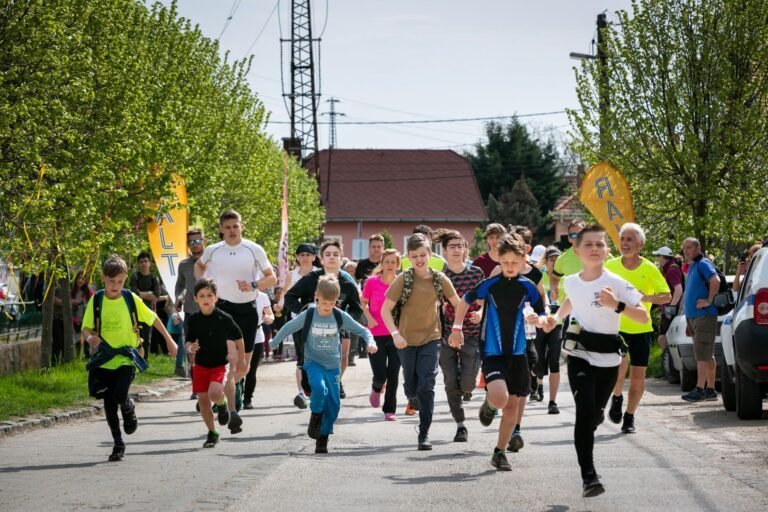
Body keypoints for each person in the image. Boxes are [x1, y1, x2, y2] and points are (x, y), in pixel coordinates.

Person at [550, 224, 647, 497]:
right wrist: (554, 319)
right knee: (583, 411)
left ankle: (596, 414)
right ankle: (589, 478)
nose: (594, 249)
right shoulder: (571, 280)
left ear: (607, 251)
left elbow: (643, 317)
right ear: (577, 250)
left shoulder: (617, 283)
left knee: (593, 415)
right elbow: (570, 300)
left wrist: (617, 305)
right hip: (580, 353)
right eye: (589, 244)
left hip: (608, 360)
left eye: (600, 245)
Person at [449, 234, 549, 471]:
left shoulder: (527, 286)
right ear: (499, 262)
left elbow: (542, 306)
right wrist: (456, 327)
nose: (510, 267)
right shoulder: (490, 284)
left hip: (518, 353)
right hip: (493, 351)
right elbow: (465, 300)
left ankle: (499, 451)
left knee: (513, 407)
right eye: (505, 263)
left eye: (514, 262)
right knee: (500, 398)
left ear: (523, 259)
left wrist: (542, 318)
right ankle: (491, 406)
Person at [81, 255, 178, 462]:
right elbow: (86, 327)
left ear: (125, 279)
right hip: (104, 359)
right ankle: (118, 443)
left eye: (120, 281)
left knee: (119, 394)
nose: (115, 286)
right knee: (108, 403)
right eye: (111, 281)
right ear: (103, 278)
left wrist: (170, 340)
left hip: (127, 357)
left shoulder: (130, 298)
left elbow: (153, 319)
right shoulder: (96, 299)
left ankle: (128, 407)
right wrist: (90, 337)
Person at [270, 275, 377, 453]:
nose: (327, 307)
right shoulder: (310, 314)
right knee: (319, 390)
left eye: (332, 303)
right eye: (324, 302)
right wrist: (275, 342)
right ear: (316, 296)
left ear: (337, 300)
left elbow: (363, 330)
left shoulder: (339, 316)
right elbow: (289, 326)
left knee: (334, 406)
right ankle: (316, 416)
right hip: (313, 363)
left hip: (333, 366)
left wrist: (371, 342)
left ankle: (322, 438)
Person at [195, 209, 277, 420]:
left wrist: (253, 284)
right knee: (226, 359)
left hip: (247, 310)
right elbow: (199, 265)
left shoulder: (253, 249)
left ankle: (235, 385)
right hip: (222, 308)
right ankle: (224, 400)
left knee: (243, 366)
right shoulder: (213, 250)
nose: (232, 230)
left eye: (235, 226)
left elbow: (272, 278)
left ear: (242, 226)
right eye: (227, 227)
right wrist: (202, 283)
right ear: (221, 230)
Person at [381, 233, 459, 450]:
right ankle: (413, 398)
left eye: (423, 255)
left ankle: (424, 433)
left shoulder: (439, 279)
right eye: (414, 256)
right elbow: (385, 310)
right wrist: (395, 334)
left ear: (430, 254)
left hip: (431, 338)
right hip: (405, 341)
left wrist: (459, 327)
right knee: (411, 387)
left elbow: (457, 303)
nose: (419, 259)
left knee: (428, 384)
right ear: (408, 257)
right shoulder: (403, 279)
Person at [604, 223, 671, 434]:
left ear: (640, 244)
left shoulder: (649, 268)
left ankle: (630, 416)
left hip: (641, 329)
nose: (625, 243)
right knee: (619, 366)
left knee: (637, 376)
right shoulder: (611, 266)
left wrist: (646, 297)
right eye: (623, 239)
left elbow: (666, 295)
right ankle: (616, 397)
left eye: (630, 239)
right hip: (616, 327)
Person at [284, 240, 362, 402]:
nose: (332, 258)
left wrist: (345, 320)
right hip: (309, 332)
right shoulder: (310, 279)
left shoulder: (347, 283)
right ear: (322, 258)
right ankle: (309, 388)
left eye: (335, 254)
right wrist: (304, 311)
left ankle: (332, 387)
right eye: (328, 254)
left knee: (334, 364)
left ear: (341, 258)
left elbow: (357, 308)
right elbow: (289, 297)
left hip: (334, 332)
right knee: (308, 377)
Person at [434, 229, 484, 442]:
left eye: (460, 246)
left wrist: (480, 313)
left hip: (471, 335)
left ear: (466, 250)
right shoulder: (438, 276)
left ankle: (468, 385)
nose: (456, 250)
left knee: (467, 384)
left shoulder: (476, 273)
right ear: (444, 251)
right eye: (452, 246)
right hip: (445, 335)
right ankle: (460, 425)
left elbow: (484, 301)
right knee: (450, 383)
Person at [185, 279, 243, 448]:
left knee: (215, 393)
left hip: (219, 363)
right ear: (195, 299)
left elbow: (238, 336)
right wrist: (190, 349)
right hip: (201, 365)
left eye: (209, 295)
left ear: (216, 298)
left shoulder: (224, 318)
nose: (206, 299)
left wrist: (242, 358)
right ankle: (212, 432)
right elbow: (188, 341)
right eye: (201, 295)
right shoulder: (194, 320)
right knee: (203, 403)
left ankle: (222, 403)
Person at [361, 249, 402, 420]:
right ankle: (377, 387)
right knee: (380, 374)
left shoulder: (402, 283)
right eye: (387, 261)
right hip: (376, 332)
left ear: (398, 265)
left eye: (394, 262)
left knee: (393, 373)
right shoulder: (371, 282)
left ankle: (389, 409)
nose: (390, 265)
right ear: (382, 263)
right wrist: (369, 318)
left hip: (396, 334)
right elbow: (363, 303)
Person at [680, 237, 721, 402]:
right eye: (684, 248)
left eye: (689, 247)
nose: (686, 251)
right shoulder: (693, 266)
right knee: (707, 354)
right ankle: (710, 390)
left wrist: (710, 300)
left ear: (698, 248)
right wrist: (688, 320)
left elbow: (715, 280)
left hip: (704, 316)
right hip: (694, 318)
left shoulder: (703, 263)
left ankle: (700, 390)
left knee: (701, 356)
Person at [280, 243, 320, 408]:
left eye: (308, 254)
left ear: (314, 257)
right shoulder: (292, 274)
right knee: (302, 355)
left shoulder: (319, 274)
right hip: (298, 319)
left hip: (318, 319)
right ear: (296, 257)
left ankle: (316, 388)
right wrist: (279, 304)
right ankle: (302, 392)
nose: (304, 257)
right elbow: (286, 293)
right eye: (301, 254)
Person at [175, 228, 206, 397]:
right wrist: (179, 298)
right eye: (191, 242)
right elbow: (180, 285)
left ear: (204, 241)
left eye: (198, 241)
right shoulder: (184, 265)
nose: (195, 245)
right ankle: (197, 387)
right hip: (191, 313)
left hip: (210, 313)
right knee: (192, 350)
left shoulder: (211, 260)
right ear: (188, 245)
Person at [535, 247, 563, 414]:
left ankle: (552, 402)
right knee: (538, 362)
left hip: (557, 323)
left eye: (557, 259)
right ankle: (538, 383)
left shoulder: (566, 278)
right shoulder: (538, 276)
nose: (555, 262)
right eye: (551, 259)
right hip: (540, 322)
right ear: (545, 261)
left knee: (554, 361)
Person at [242, 290, 274, 409]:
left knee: (252, 369)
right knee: (238, 367)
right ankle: (236, 394)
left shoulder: (262, 296)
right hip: (238, 335)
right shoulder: (236, 295)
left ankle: (247, 398)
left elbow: (270, 314)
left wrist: (268, 317)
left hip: (257, 335)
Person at [129, 251, 162, 359]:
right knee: (136, 336)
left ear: (149, 263)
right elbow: (133, 293)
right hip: (136, 311)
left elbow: (156, 295)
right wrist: (148, 293)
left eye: (145, 261)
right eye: (141, 261)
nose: (143, 263)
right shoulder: (135, 277)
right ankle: (135, 359)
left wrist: (141, 293)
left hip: (149, 311)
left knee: (147, 338)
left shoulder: (154, 278)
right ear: (138, 264)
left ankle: (145, 360)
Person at [652, 246, 684, 353]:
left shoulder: (672, 270)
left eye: (658, 257)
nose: (657, 259)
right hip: (667, 309)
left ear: (663, 257)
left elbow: (679, 290)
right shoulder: (669, 269)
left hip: (670, 310)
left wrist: (670, 308)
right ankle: (667, 361)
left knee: (663, 338)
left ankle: (667, 362)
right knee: (663, 338)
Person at [549, 220, 586, 303]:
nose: (578, 237)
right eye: (573, 235)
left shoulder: (600, 254)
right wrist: (553, 288)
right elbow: (554, 277)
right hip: (571, 308)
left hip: (597, 309)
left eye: (581, 233)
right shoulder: (562, 259)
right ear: (569, 238)